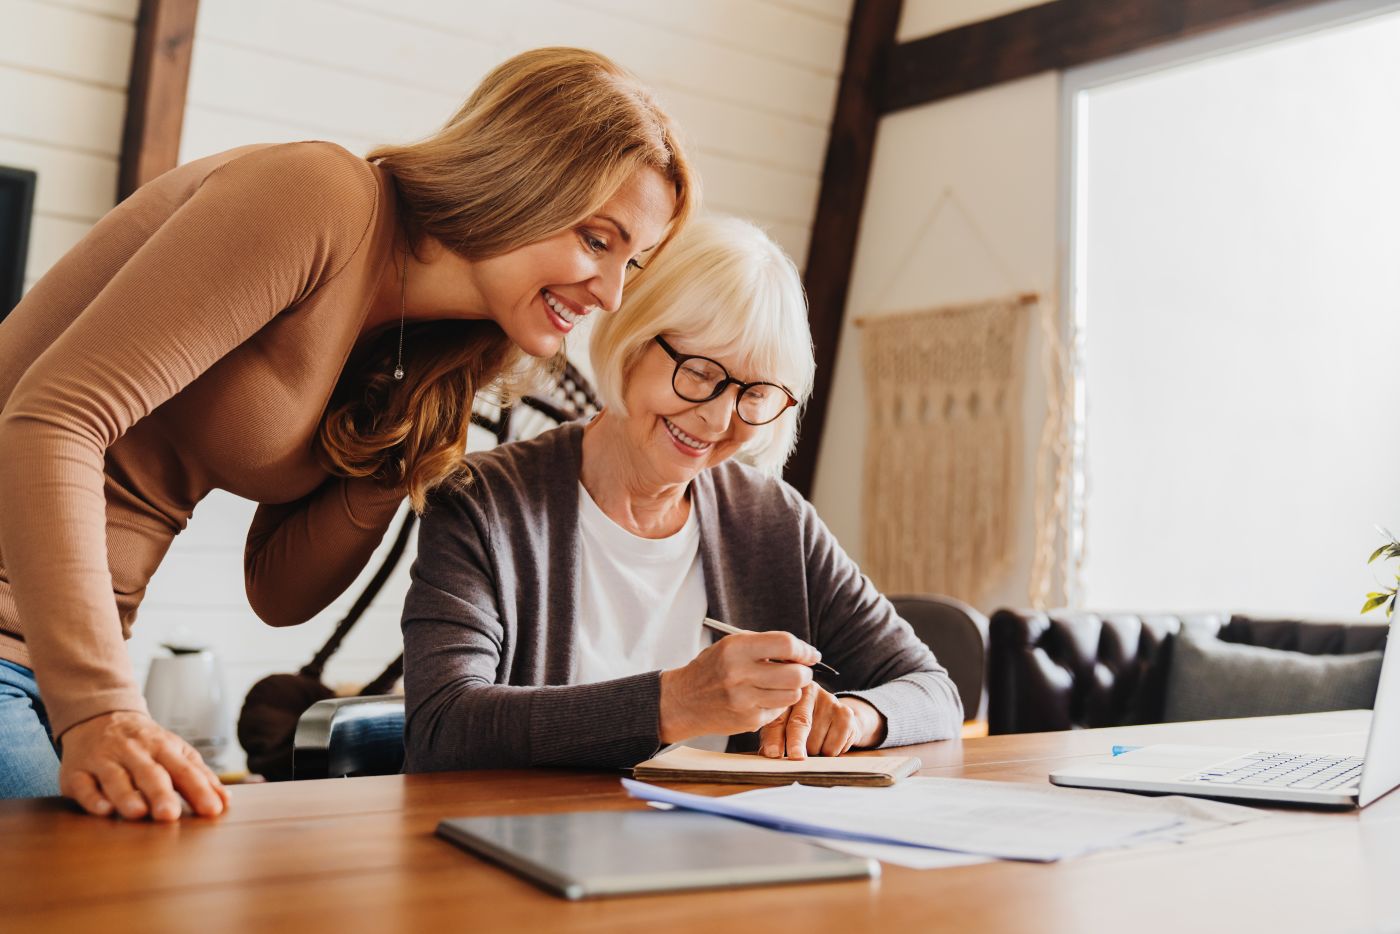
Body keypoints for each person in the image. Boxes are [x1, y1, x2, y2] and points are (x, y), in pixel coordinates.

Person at [0, 47, 697, 818]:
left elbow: (278, 591)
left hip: (42, 662)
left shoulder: (434, 358)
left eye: (634, 263)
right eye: (599, 240)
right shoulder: (321, 196)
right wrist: (101, 709)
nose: (610, 292)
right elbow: (52, 417)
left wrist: (403, 450)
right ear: (521, 178)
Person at [401, 217, 963, 773]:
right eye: (699, 373)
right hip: (525, 849)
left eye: (756, 393)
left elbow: (934, 691)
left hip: (725, 853)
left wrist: (853, 717)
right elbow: (443, 727)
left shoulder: (773, 521)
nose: (719, 419)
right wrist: (675, 702)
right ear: (634, 341)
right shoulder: (483, 504)